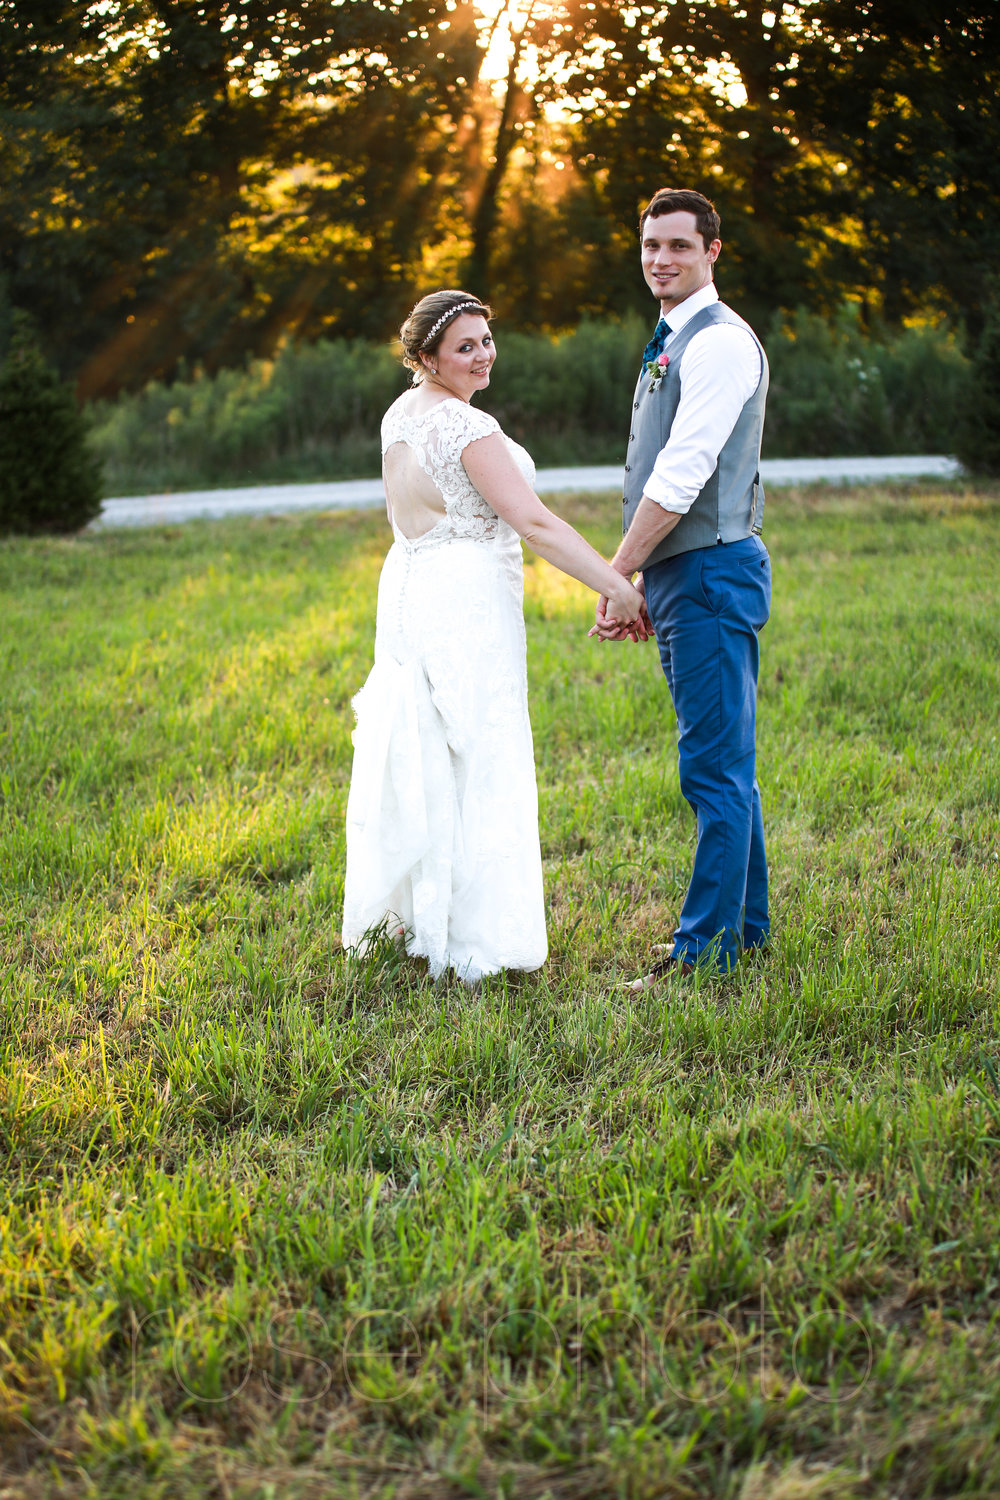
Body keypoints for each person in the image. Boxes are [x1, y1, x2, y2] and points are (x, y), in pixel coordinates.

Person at [342, 289, 645, 984]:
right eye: (464, 347)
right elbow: (536, 524)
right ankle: (478, 939)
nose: (482, 357)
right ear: (426, 358)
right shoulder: (466, 429)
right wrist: (617, 585)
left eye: (485, 341)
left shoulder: (402, 412)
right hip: (465, 597)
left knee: (429, 746)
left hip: (413, 587)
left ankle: (423, 921)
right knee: (481, 750)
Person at [591, 188, 771, 985]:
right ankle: (749, 932)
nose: (660, 259)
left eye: (677, 246)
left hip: (708, 575)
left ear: (712, 252)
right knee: (726, 761)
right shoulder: (673, 335)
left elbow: (683, 470)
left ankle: (703, 955)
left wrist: (619, 567)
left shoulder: (720, 343)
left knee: (713, 769)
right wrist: (641, 572)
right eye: (650, 246)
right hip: (682, 575)